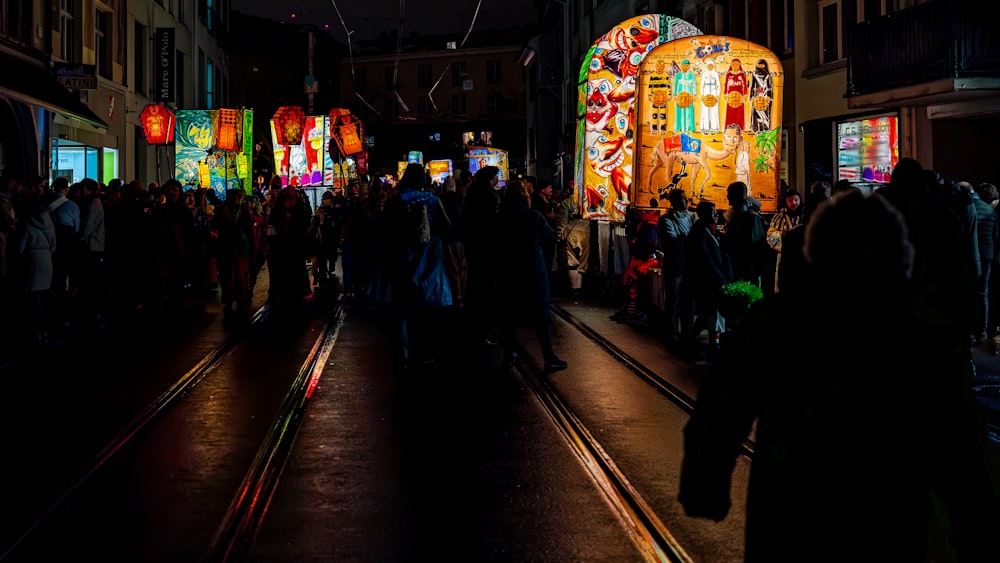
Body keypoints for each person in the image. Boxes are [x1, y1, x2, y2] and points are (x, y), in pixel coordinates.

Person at [678, 189, 1000, 561]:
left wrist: (705, 483)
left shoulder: (777, 321)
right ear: (899, 254)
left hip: (789, 510)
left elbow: (722, 405)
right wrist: (976, 525)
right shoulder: (920, 335)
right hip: (888, 518)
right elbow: (959, 441)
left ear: (815, 249)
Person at [495, 179, 567, 374]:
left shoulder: (500, 218)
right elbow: (551, 237)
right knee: (541, 314)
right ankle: (549, 356)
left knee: (509, 313)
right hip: (533, 269)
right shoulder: (533, 216)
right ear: (525, 197)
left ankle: (509, 353)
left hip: (508, 270)